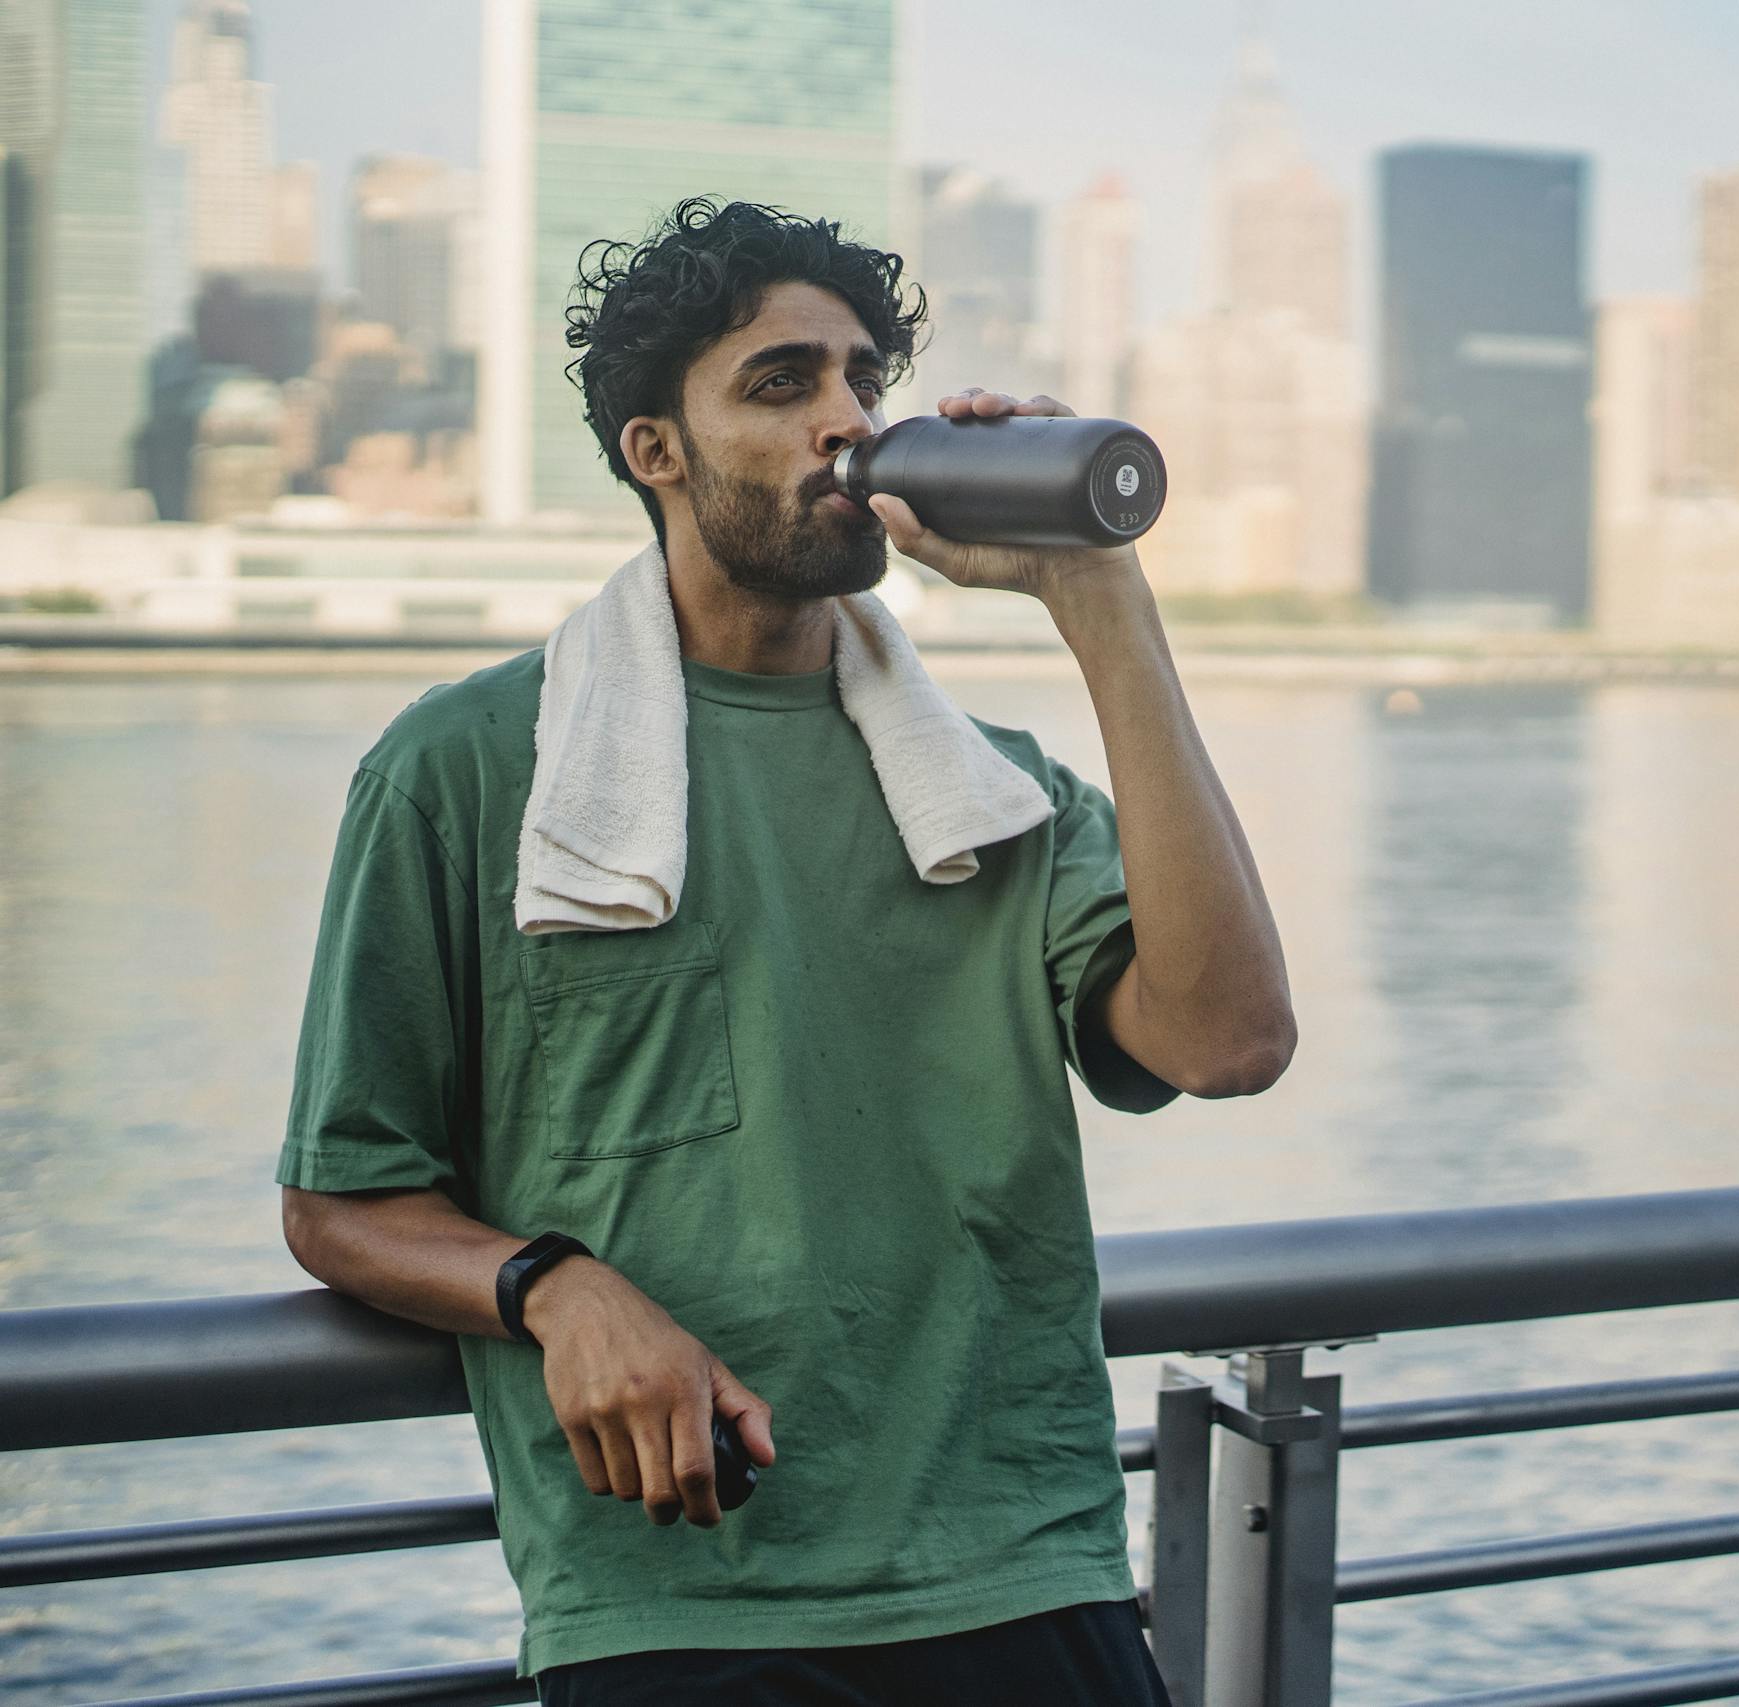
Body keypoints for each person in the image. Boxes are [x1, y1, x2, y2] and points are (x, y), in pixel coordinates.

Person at [275, 197, 1295, 1706]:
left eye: (863, 380)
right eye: (781, 383)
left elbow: (1228, 1043)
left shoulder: (996, 789)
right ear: (656, 452)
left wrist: (1103, 601)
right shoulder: (473, 771)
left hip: (1026, 1567)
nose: (846, 422)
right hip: (681, 1603)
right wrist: (557, 1288)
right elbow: (344, 1201)